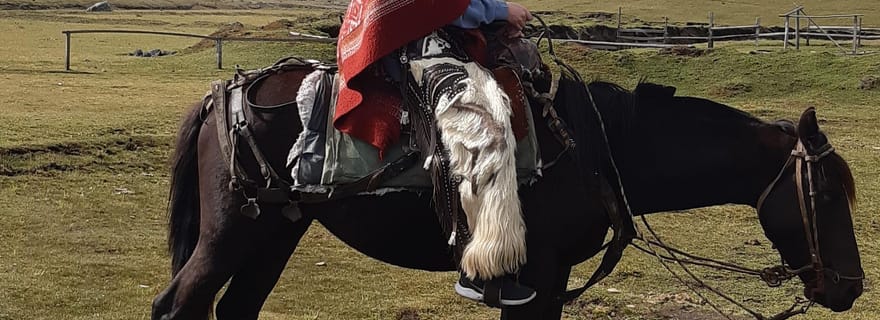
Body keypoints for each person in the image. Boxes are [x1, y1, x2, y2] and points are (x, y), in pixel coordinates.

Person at [335, 0, 537, 306]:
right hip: (413, 42)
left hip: (429, 33)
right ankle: (482, 272)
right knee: (486, 131)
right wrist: (499, 11)